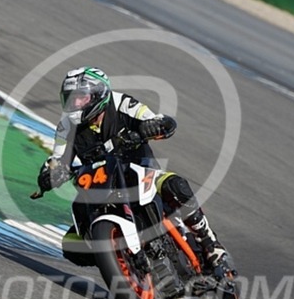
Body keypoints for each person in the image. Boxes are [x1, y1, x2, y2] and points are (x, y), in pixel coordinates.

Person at [37, 66, 229, 273]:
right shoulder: (66, 126)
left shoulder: (121, 103)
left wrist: (153, 126)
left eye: (80, 98)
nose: (75, 104)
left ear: (98, 94)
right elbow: (57, 159)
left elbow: (156, 120)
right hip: (100, 187)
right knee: (72, 244)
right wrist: (48, 175)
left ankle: (210, 243)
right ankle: (121, 261)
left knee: (175, 185)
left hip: (140, 172)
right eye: (70, 99)